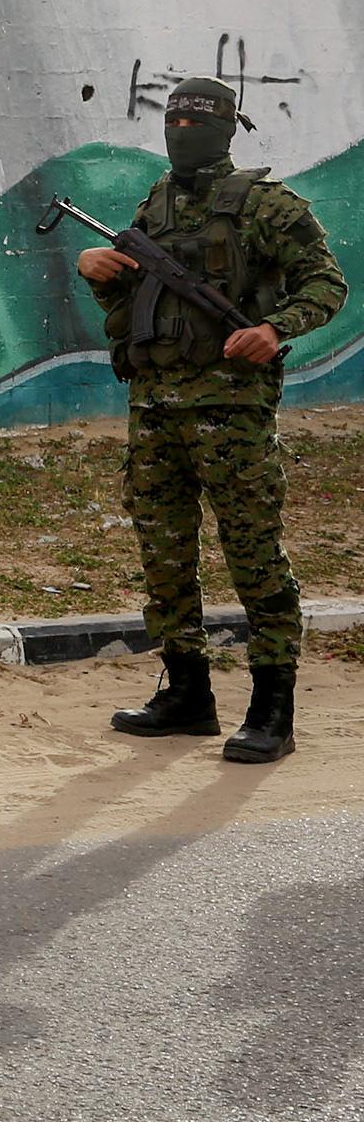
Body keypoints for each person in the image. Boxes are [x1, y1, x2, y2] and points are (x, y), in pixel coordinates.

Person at [83, 76, 346, 762]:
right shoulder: (156, 205)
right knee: (165, 556)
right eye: (172, 121)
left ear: (227, 128)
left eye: (195, 122)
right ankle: (188, 693)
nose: (181, 133)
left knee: (254, 556)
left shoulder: (267, 206)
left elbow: (327, 282)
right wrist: (100, 270)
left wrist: (273, 327)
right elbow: (136, 297)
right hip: (155, 407)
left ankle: (272, 708)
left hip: (232, 412)